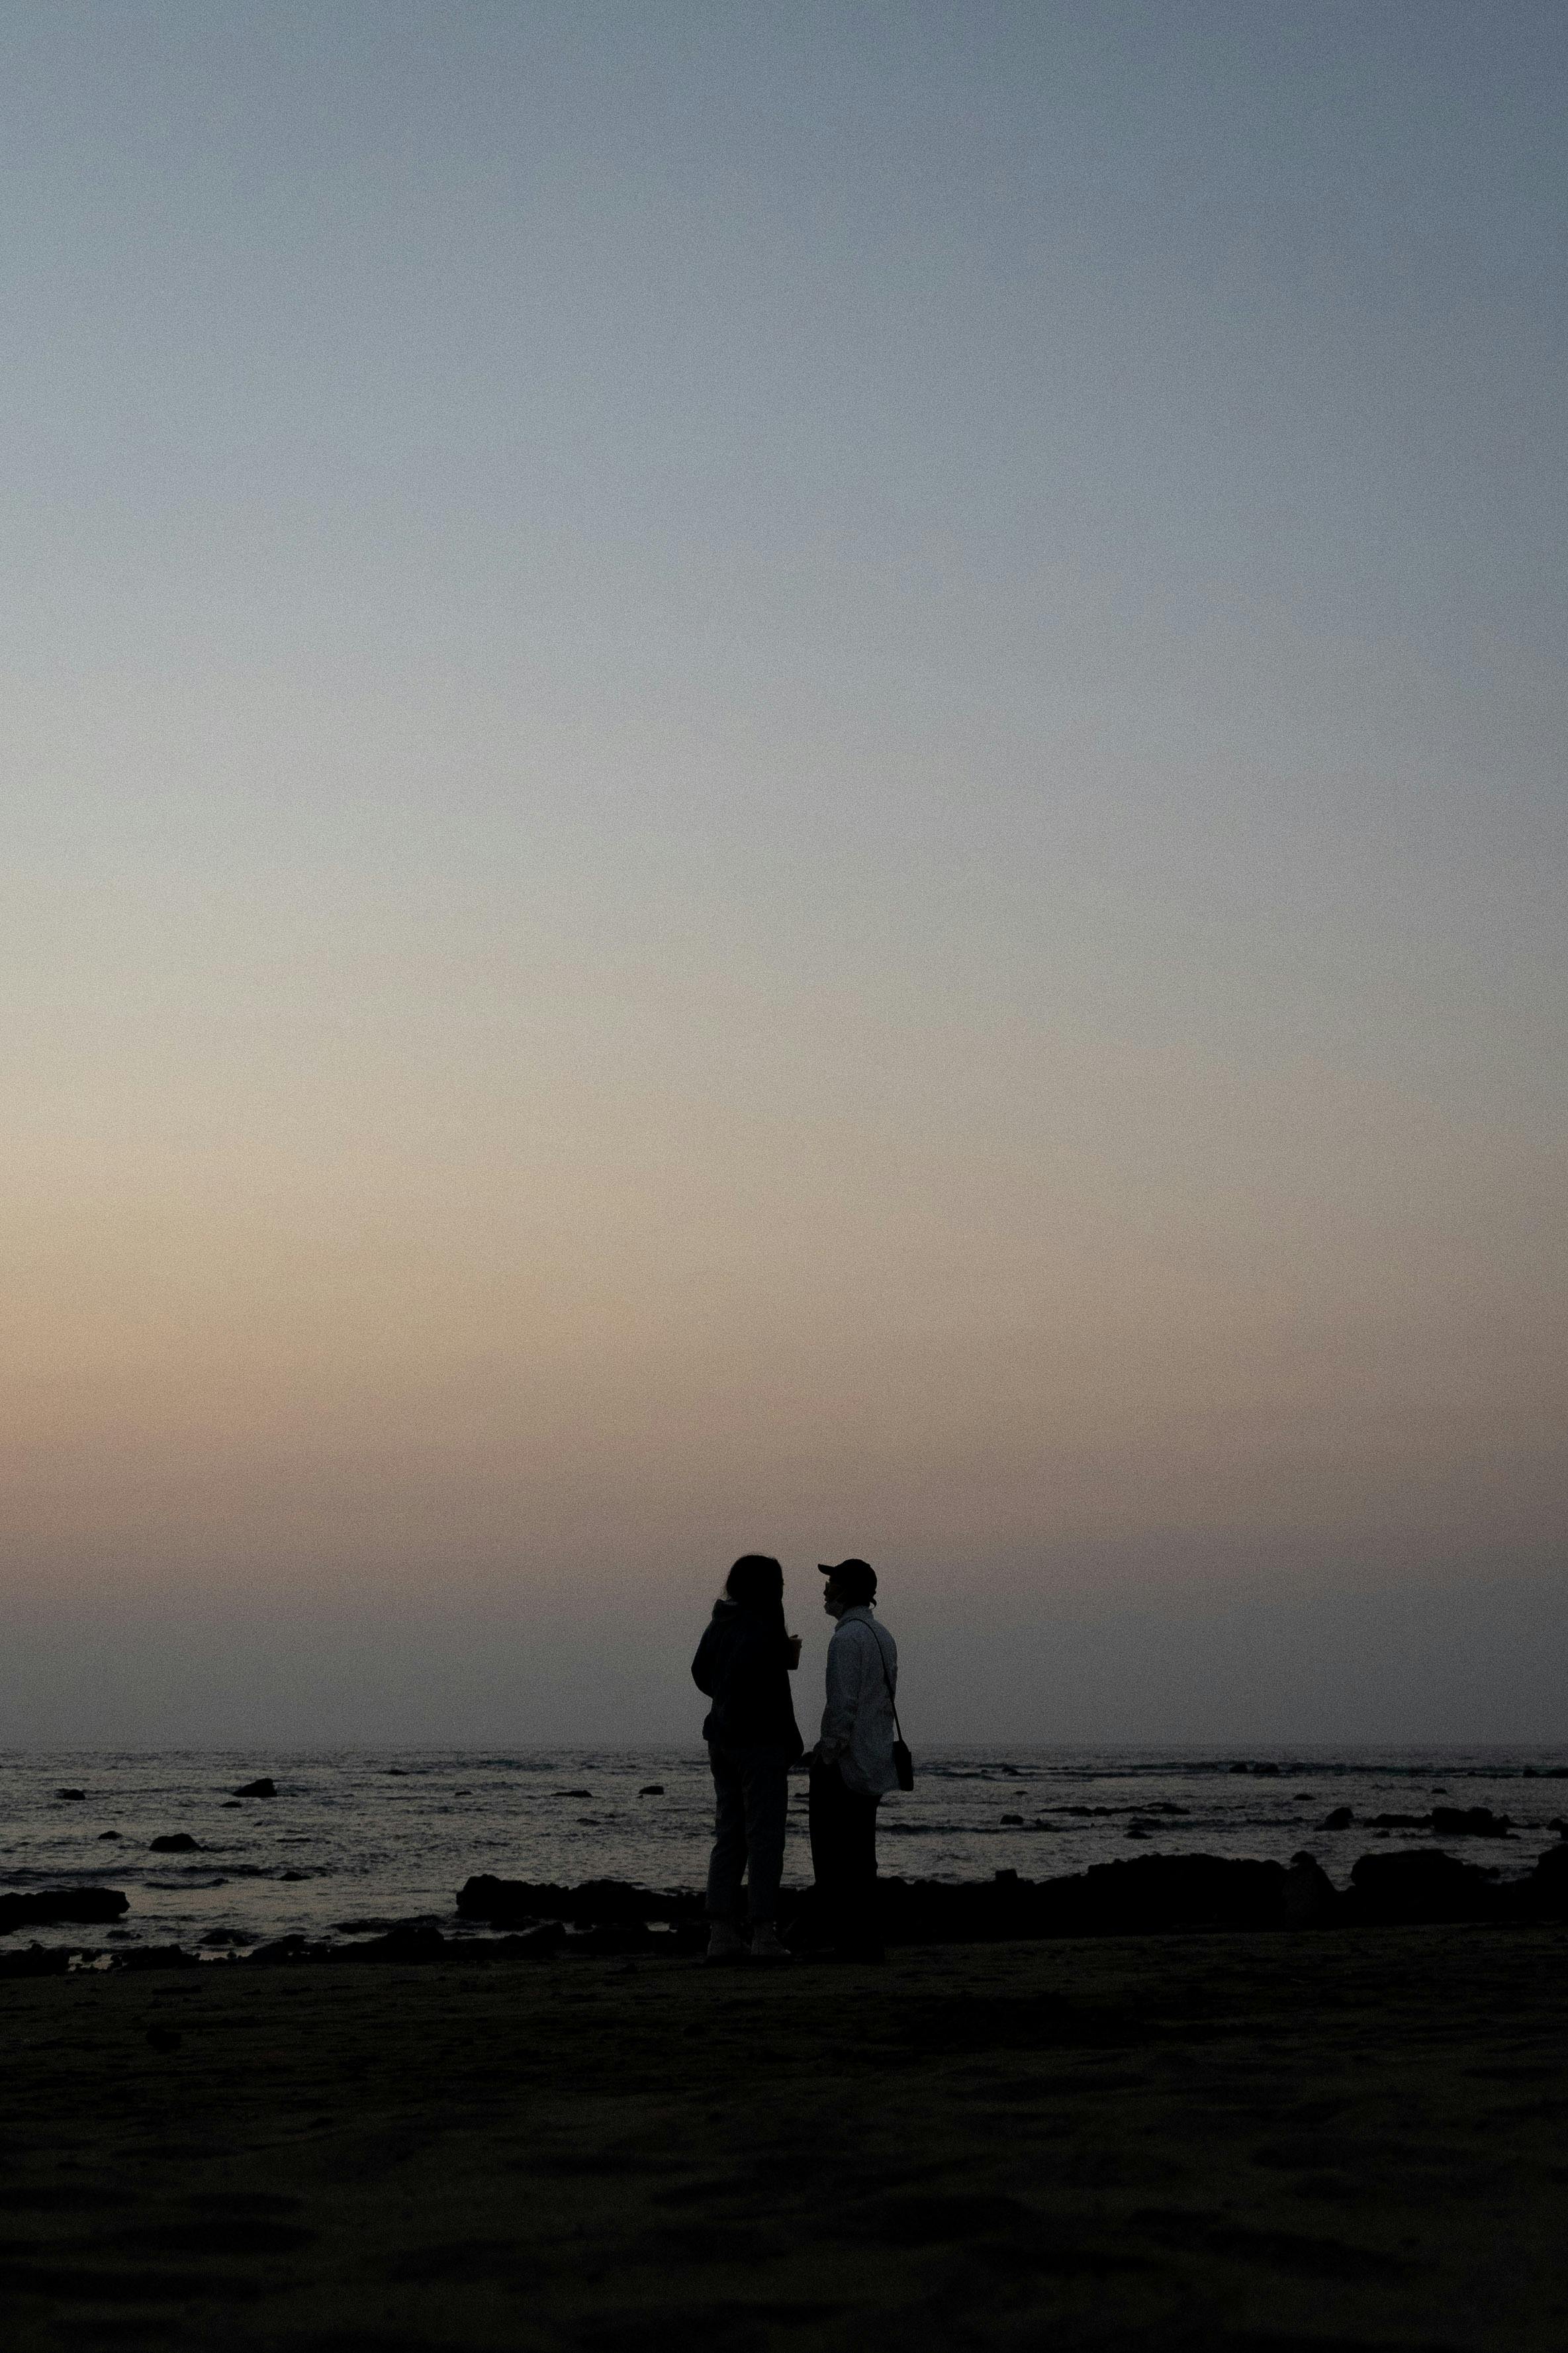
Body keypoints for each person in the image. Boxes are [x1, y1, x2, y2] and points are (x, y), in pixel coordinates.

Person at [691, 1554, 804, 1962]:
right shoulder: (765, 1623)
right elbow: (774, 1692)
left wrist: (725, 1697)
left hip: (721, 1738)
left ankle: (720, 1934)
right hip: (759, 1740)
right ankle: (763, 1933)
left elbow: (701, 1672)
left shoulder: (720, 1622)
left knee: (730, 1834)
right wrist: (789, 1739)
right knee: (765, 1837)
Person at [809, 1558, 898, 1961]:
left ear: (845, 1591)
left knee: (833, 1856)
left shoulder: (845, 1640)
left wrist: (825, 1754)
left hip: (846, 1763)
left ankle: (849, 1941)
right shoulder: (882, 1636)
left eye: (832, 1584)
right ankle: (865, 1939)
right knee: (862, 1856)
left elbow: (842, 1706)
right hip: (875, 1759)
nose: (826, 1590)